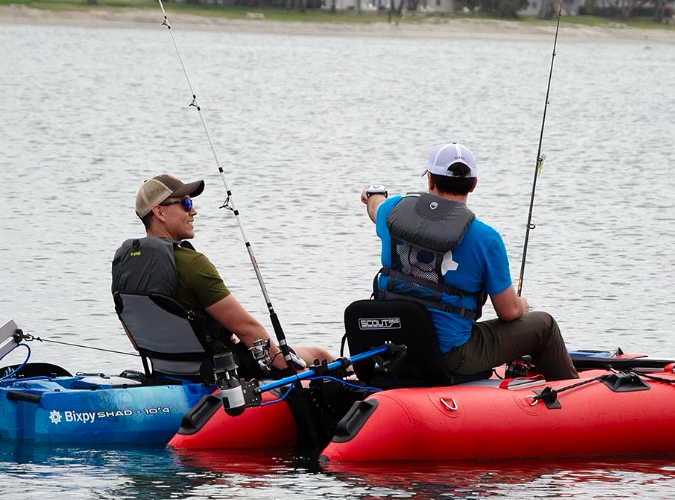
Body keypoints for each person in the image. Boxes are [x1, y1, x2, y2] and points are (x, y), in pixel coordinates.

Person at [361, 143, 578, 381]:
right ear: (473, 184)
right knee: (544, 325)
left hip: (393, 350)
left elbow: (375, 208)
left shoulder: (391, 212)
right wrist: (522, 306)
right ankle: (571, 394)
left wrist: (373, 193)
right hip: (450, 357)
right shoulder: (486, 238)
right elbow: (508, 312)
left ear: (430, 180)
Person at [112, 173, 333, 376]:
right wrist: (288, 368)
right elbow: (246, 329)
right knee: (319, 355)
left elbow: (136, 340)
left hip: (166, 371)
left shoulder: (124, 266)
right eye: (186, 203)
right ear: (159, 212)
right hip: (224, 372)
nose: (193, 211)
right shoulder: (193, 264)